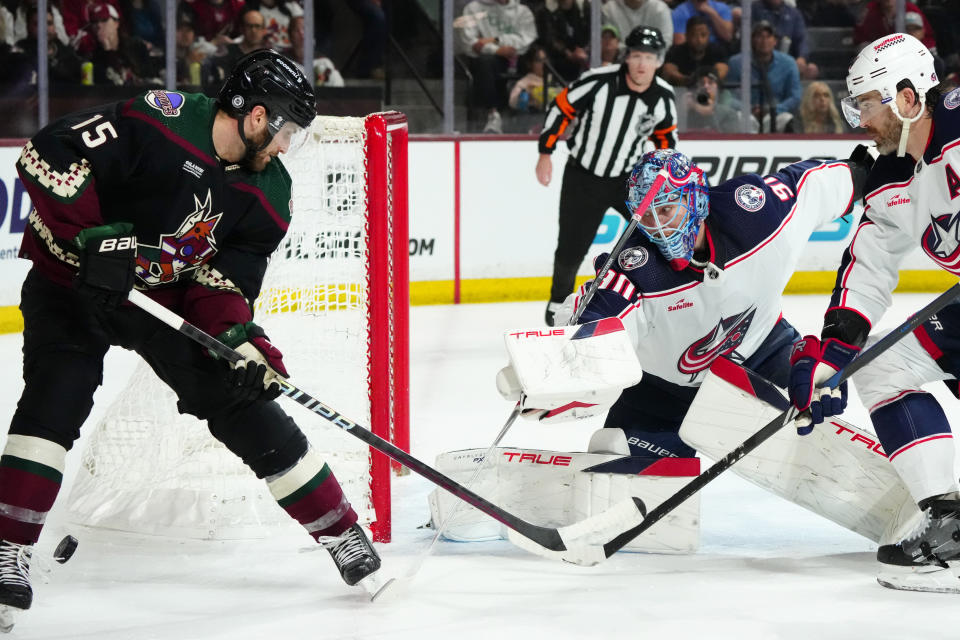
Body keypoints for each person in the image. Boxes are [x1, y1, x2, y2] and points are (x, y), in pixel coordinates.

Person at [0, 50, 381, 632]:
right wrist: (94, 242)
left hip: (160, 300)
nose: (286, 148)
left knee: (242, 398)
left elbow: (224, 282)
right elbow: (46, 152)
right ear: (258, 117)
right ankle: (9, 547)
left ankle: (341, 532)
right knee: (56, 398)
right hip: (73, 285)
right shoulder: (160, 119)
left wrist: (245, 343)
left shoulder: (269, 196)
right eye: (286, 133)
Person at [543, 147, 864, 469]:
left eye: (666, 210)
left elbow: (823, 183)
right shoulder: (633, 264)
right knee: (614, 452)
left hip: (764, 353)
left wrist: (887, 170)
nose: (657, 226)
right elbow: (595, 317)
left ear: (695, 198)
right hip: (660, 394)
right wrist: (569, 361)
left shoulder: (756, 211)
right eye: (647, 214)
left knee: (817, 394)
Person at [786, 32, 960, 593]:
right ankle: (951, 524)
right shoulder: (890, 177)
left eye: (868, 103)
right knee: (884, 369)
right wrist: (832, 357)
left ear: (909, 98)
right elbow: (868, 268)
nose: (861, 120)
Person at [536, 25, 676, 326]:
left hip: (628, 182)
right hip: (583, 177)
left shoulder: (663, 96)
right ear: (627, 57)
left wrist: (664, 178)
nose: (641, 63)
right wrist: (545, 153)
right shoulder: (598, 82)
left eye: (649, 57)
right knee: (572, 246)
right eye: (636, 55)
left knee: (657, 235)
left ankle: (664, 296)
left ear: (659, 61)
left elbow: (665, 139)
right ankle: (558, 302)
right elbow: (562, 108)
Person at [458, 0, 537, 134]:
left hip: (518, 59)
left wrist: (495, 40)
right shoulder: (473, 8)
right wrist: (496, 50)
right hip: (487, 61)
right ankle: (493, 115)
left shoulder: (523, 11)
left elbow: (526, 40)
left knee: (538, 60)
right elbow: (471, 43)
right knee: (485, 63)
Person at [726, 20, 802, 133]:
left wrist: (773, 109)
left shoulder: (788, 63)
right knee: (737, 118)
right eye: (759, 36)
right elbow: (727, 96)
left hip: (775, 114)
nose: (764, 41)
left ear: (775, 41)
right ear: (752, 40)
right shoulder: (736, 62)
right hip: (746, 114)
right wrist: (748, 108)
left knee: (787, 119)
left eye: (768, 36)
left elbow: (795, 96)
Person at [750, 0, 818, 80]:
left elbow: (802, 39)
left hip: (787, 60)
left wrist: (802, 58)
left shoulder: (793, 13)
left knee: (811, 69)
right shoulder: (754, 10)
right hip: (760, 60)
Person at [661, 15, 729, 88]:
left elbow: (723, 69)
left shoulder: (717, 50)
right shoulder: (676, 51)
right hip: (683, 91)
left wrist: (707, 81)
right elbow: (668, 70)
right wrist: (686, 80)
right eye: (694, 35)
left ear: (709, 35)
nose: (699, 40)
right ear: (686, 35)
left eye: (703, 35)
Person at [534, 0, 590, 83]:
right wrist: (567, 53)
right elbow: (548, 38)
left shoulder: (585, 6)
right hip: (557, 58)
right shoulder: (545, 9)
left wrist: (583, 50)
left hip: (583, 55)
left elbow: (594, 32)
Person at [854, 0, 935, 51]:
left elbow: (927, 37)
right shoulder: (870, 10)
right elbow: (861, 38)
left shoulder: (910, 9)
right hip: (880, 57)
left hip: (909, 53)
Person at [602, 0, 674, 53]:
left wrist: (644, 55)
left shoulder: (660, 8)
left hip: (653, 62)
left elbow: (666, 42)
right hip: (618, 63)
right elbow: (609, 45)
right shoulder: (608, 9)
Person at [683, 67, 740, 132]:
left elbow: (730, 139)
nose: (706, 86)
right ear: (695, 88)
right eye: (702, 83)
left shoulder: (729, 114)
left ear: (717, 87)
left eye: (710, 82)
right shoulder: (686, 111)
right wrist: (683, 111)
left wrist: (710, 115)